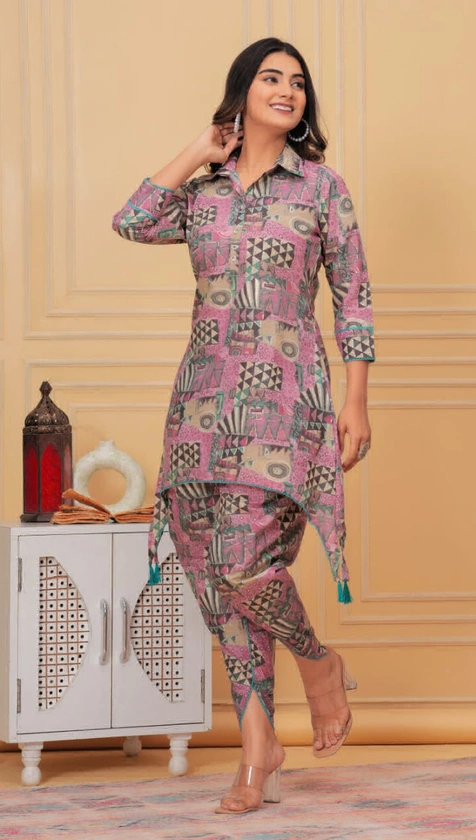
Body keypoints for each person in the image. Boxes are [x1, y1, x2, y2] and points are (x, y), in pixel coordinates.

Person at [112, 37, 375, 816]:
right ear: (242, 92)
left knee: (242, 562)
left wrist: (356, 401)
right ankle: (258, 746)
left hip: (287, 402)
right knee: (210, 575)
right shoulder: (204, 194)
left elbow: (354, 298)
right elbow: (131, 220)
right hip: (201, 401)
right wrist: (202, 148)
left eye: (298, 82)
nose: (288, 90)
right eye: (271, 78)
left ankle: (318, 664)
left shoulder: (322, 187)